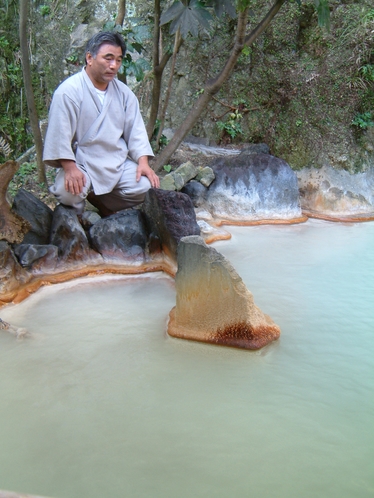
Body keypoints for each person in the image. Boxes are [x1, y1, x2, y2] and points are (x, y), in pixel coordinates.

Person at [43, 31, 159, 217]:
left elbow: (136, 131)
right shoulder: (68, 92)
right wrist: (69, 167)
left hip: (115, 162)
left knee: (145, 187)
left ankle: (100, 201)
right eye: (108, 58)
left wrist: (143, 162)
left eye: (118, 60)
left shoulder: (124, 94)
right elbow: (59, 135)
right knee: (67, 193)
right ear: (90, 58)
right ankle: (79, 214)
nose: (114, 66)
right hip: (82, 163)